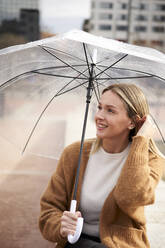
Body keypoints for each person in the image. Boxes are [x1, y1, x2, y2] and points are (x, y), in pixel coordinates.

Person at [39, 83, 164, 248]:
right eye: (99, 107)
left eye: (110, 110)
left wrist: (140, 142)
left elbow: (131, 197)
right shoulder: (74, 154)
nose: (99, 115)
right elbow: (49, 211)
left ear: (133, 122)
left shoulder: (151, 160)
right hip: (77, 243)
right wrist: (60, 225)